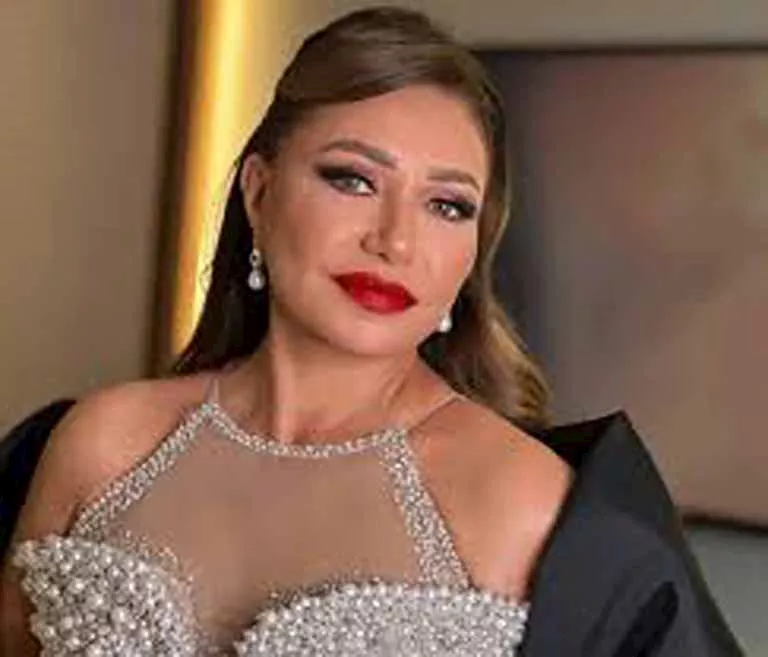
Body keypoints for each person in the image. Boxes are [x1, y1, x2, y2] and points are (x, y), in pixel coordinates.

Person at [0, 7, 743, 657]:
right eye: (352, 179)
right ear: (258, 192)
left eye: (447, 206)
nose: (395, 241)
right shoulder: (104, 443)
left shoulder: (520, 502)